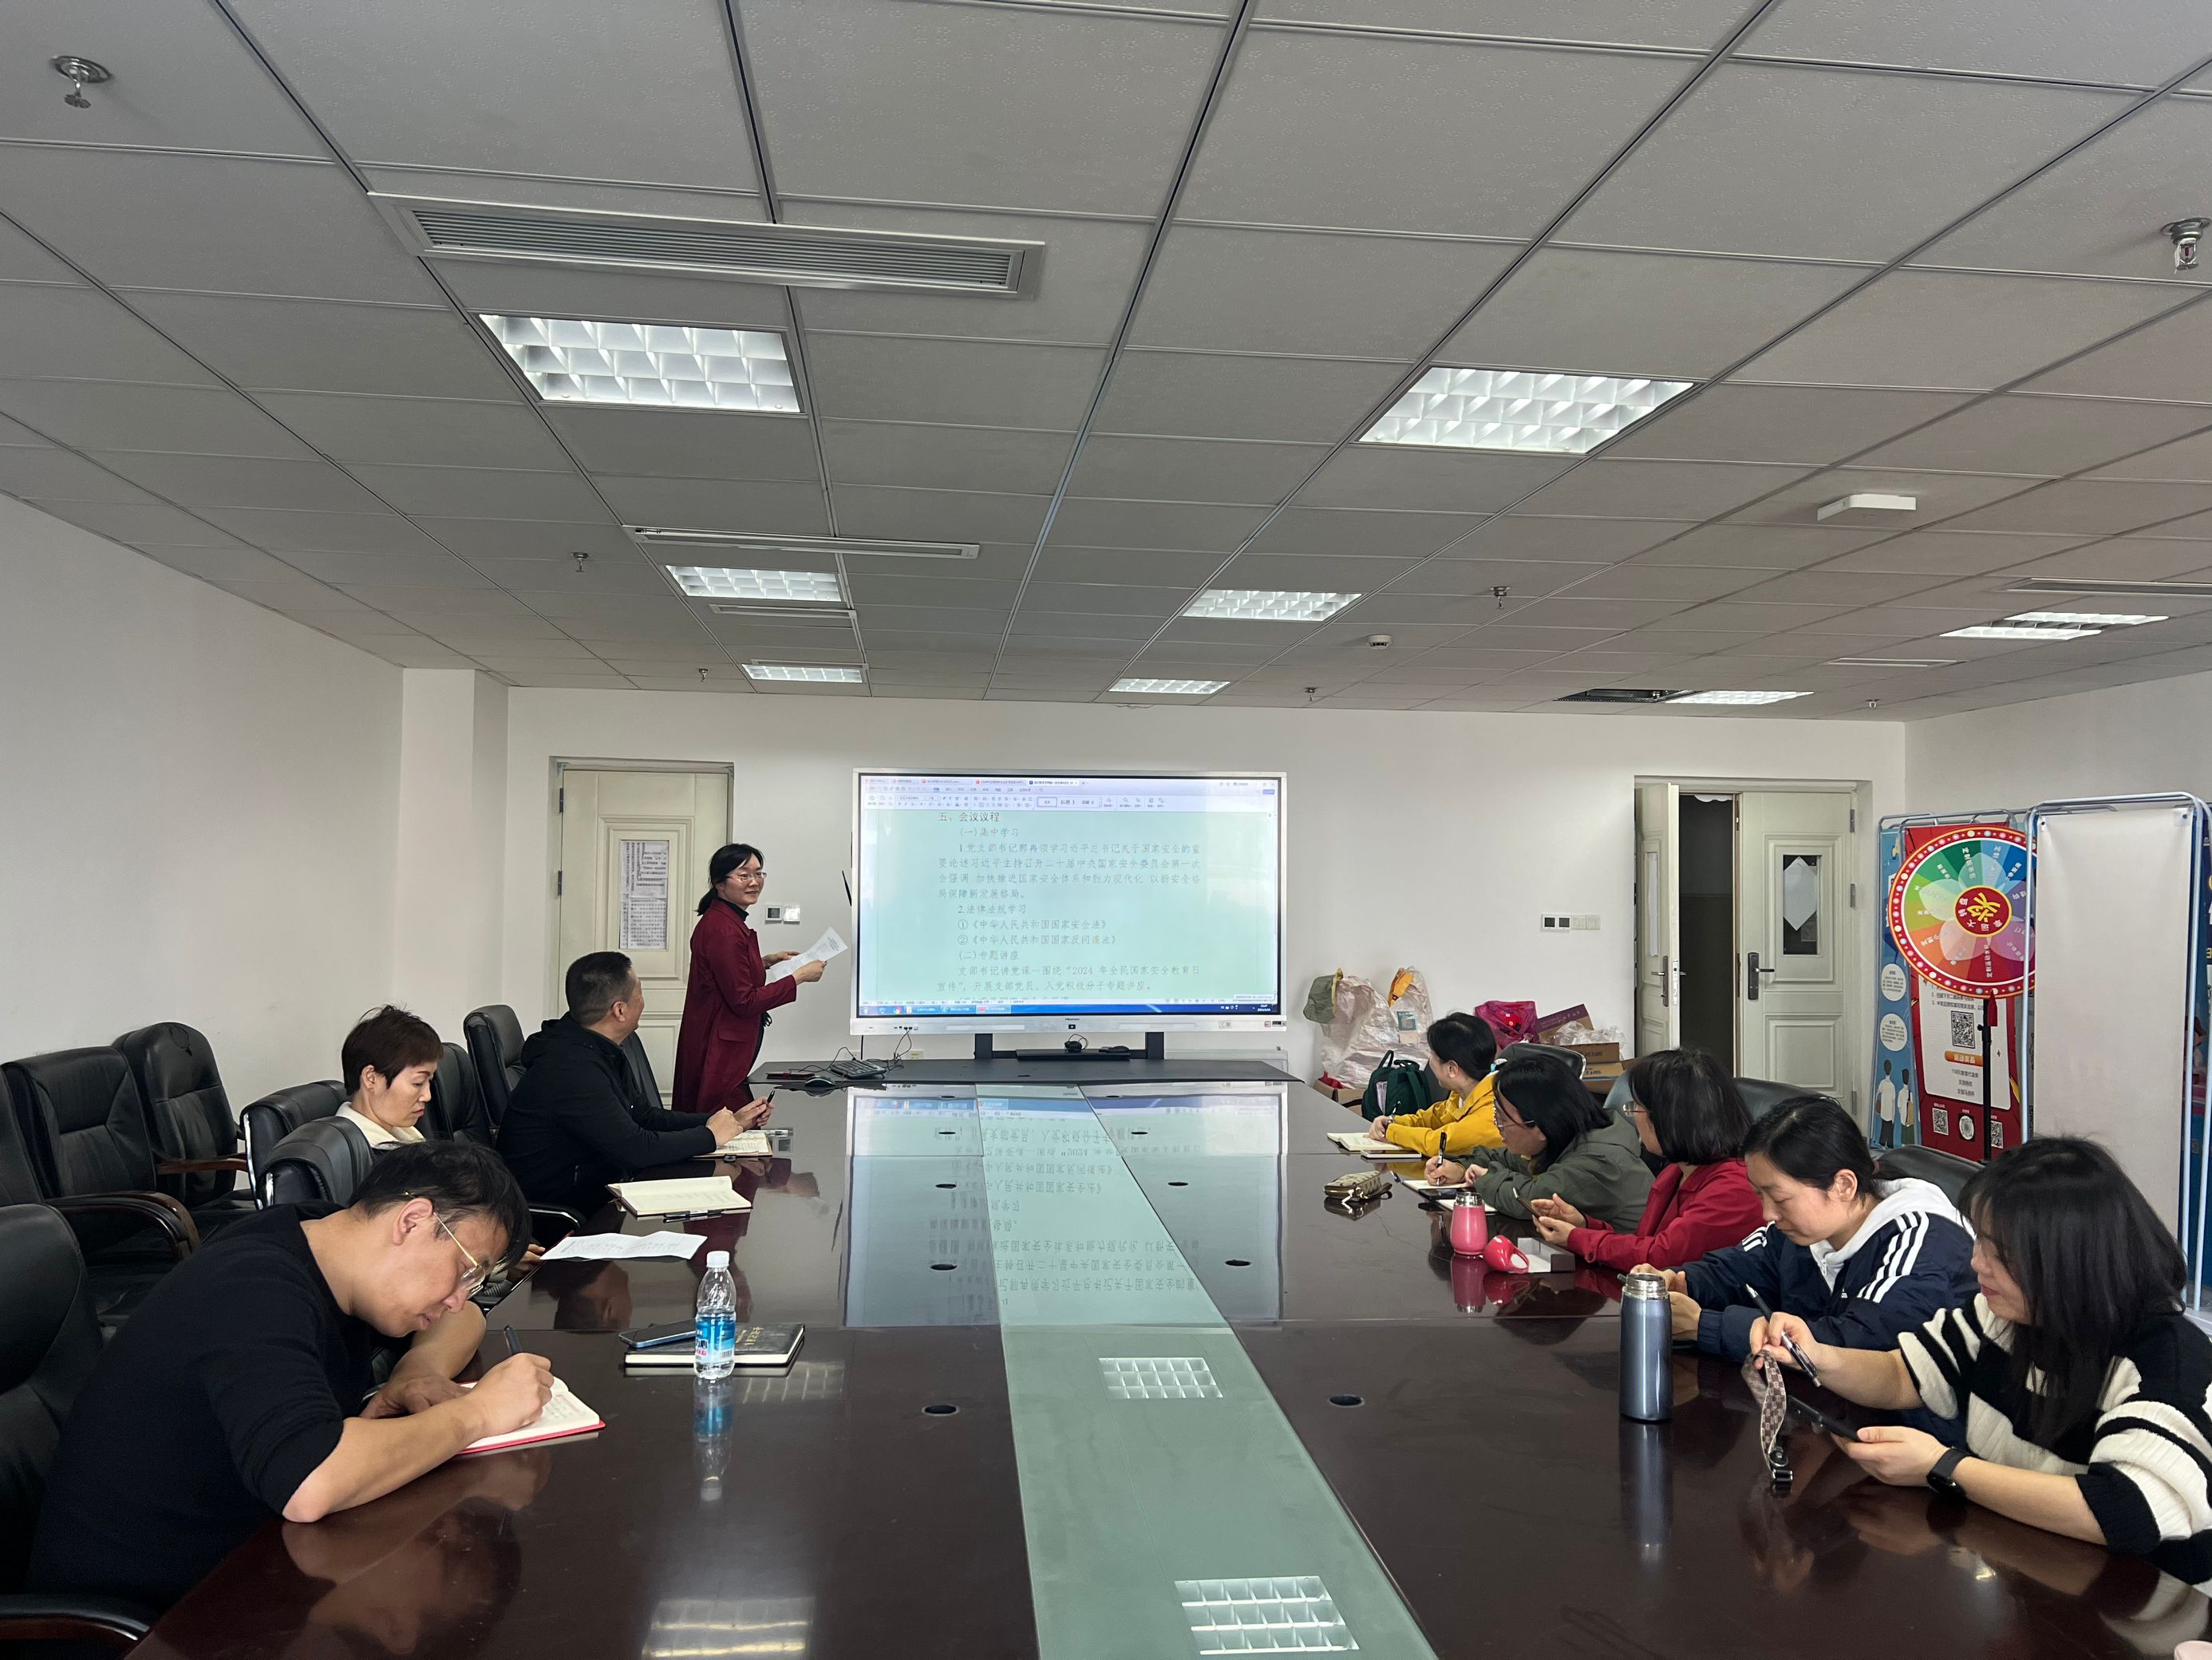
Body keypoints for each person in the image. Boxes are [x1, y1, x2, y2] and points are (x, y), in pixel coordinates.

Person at [27, 1140, 555, 1611]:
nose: (460, 1296)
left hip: (251, 1564)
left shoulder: (329, 1238)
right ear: (412, 1221)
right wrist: (477, 1414)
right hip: (156, 1615)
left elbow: (465, 1318)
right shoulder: (252, 1288)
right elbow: (310, 1480)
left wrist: (416, 1371)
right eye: (465, 1269)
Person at [1752, 1136, 2212, 1591]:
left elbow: (2127, 1511)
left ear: (2068, 1262)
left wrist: (1944, 1468)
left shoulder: (2166, 1362)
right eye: (1980, 1242)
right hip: (2038, 1569)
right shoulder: (2008, 1316)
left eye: (1999, 1253)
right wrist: (1815, 1356)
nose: (1977, 1263)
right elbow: (1904, 1374)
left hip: (2149, 1603)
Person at [1657, 1093, 1975, 1361]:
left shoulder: (1922, 1242)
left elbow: (1857, 1348)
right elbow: (1738, 1268)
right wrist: (1681, 1282)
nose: (1768, 1214)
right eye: (1759, 1195)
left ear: (1843, 1185)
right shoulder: (1805, 1229)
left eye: (1780, 1199)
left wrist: (1703, 1325)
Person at [500, 951, 772, 1214]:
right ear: (620, 1010)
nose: (643, 1003)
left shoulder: (598, 1047)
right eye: (640, 995)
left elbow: (643, 1117)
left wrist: (726, 1121)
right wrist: (710, 1136)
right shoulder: (570, 1068)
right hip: (566, 1213)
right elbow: (636, 1149)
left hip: (600, 1190)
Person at [1528, 1045, 1762, 1271]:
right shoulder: (1676, 1171)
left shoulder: (1734, 1186)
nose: (1634, 1115)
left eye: (1637, 1106)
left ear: (1669, 1117)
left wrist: (1576, 1238)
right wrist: (1584, 1225)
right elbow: (1644, 1243)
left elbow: (1659, 1257)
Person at [673, 844, 824, 1115]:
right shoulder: (724, 929)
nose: (754, 882)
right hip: (718, 1048)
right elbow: (744, 1001)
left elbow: (725, 975)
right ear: (720, 883)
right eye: (744, 875)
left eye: (758, 874)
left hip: (720, 1040)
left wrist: (764, 961)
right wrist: (798, 977)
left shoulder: (724, 920)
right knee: (723, 1124)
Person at [1425, 1053, 1653, 1231]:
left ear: (1540, 1126)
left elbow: (1531, 1200)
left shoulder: (1597, 1163)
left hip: (1629, 1272)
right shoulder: (1564, 1138)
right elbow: (1506, 1157)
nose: (1498, 1127)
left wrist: (1484, 1178)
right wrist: (1460, 1168)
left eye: (1502, 1119)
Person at [1370, 1012, 1502, 1160]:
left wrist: (1391, 1131)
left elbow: (1437, 1143)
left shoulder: (1494, 1110)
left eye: (1433, 1055)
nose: (1430, 1061)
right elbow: (1432, 1118)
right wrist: (1392, 1121)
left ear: (1452, 1069)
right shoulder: (1464, 1094)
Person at [335, 1004, 441, 1149]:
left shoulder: (402, 1133)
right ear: (371, 1078)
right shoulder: (365, 1154)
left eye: (429, 1081)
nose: (427, 1096)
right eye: (418, 1083)